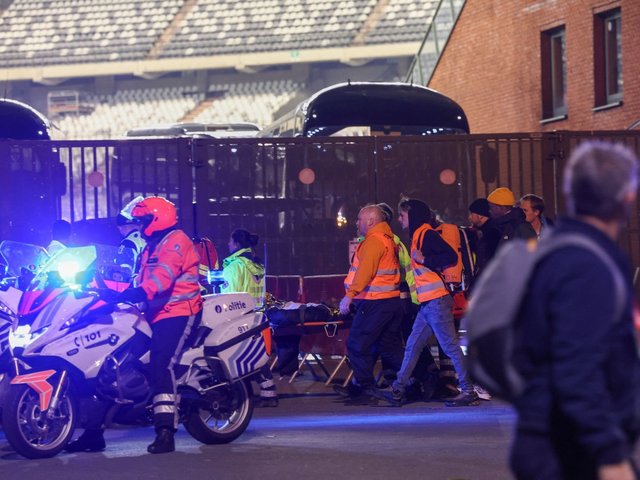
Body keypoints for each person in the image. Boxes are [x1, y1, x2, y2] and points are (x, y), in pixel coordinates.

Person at [510, 141, 640, 480]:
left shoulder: (559, 250)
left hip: (552, 435)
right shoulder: (587, 263)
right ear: (626, 197)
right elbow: (577, 364)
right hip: (575, 447)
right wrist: (609, 454)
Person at [66, 196, 202, 455]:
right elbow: (139, 279)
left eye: (143, 220)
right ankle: (93, 433)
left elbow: (161, 280)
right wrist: (108, 289)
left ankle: (165, 431)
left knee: (161, 363)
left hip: (179, 312)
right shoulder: (151, 245)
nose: (139, 225)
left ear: (157, 219)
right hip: (151, 312)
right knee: (111, 362)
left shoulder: (176, 241)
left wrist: (135, 293)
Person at [391, 198, 478, 407]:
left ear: (412, 215)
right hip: (428, 303)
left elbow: (450, 256)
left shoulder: (426, 234)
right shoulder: (418, 235)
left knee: (450, 347)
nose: (400, 219)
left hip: (436, 301)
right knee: (413, 346)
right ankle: (397, 389)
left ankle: (468, 391)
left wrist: (424, 260)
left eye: (402, 215)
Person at [334, 205, 404, 403]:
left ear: (371, 221)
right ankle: (417, 379)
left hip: (374, 302)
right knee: (389, 347)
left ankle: (366, 388)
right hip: (390, 301)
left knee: (356, 344)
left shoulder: (373, 241)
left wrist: (350, 295)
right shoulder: (388, 239)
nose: (356, 223)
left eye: (359, 219)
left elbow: (365, 271)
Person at [220, 228, 278, 408]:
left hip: (238, 316)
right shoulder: (257, 264)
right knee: (253, 354)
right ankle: (268, 392)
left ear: (236, 244)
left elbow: (229, 296)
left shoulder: (234, 266)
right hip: (258, 315)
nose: (228, 244)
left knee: (235, 355)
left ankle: (234, 395)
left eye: (230, 241)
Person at [467, 198, 501, 281]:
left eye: (472, 214)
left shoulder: (491, 232)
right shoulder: (487, 230)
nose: (469, 217)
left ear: (480, 216)